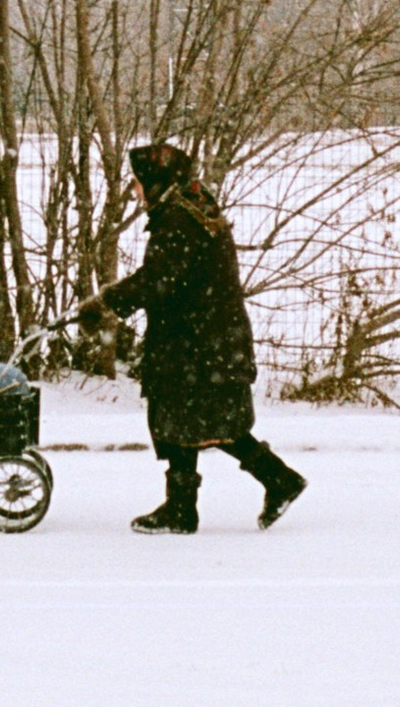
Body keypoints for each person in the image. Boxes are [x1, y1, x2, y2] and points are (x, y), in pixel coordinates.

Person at [82, 141, 306, 534]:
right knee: (192, 420)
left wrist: (106, 304)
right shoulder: (189, 205)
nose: (135, 191)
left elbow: (158, 280)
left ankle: (263, 484)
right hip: (201, 336)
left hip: (199, 340)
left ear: (156, 180)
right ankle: (187, 506)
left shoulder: (180, 218)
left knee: (201, 419)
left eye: (137, 182)